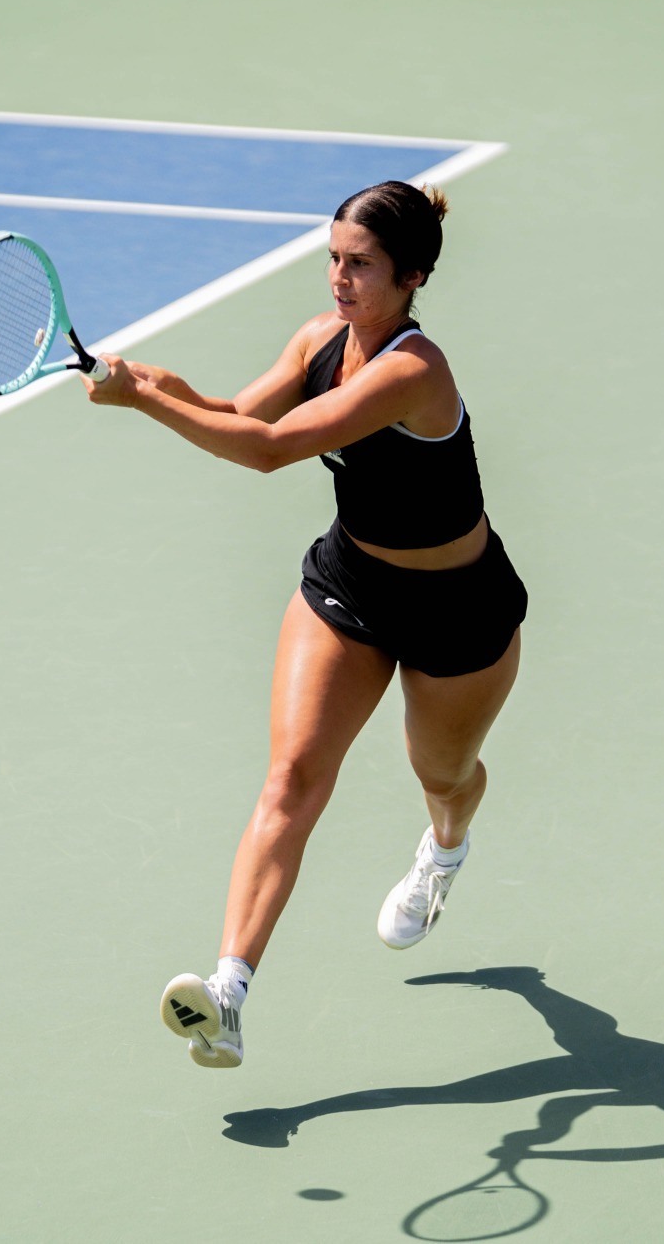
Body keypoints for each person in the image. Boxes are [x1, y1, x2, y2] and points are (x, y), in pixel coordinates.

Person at [82, 180, 527, 1068]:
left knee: (441, 772)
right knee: (291, 776)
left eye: (360, 264)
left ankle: (445, 848)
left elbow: (271, 450)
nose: (339, 278)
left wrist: (142, 400)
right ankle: (227, 992)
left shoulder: (413, 371)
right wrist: (148, 381)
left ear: (411, 277)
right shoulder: (318, 341)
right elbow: (240, 414)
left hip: (459, 609)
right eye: (333, 258)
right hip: (353, 583)